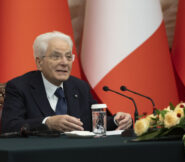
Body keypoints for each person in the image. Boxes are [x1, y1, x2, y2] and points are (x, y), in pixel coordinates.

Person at [1, 31, 132, 133]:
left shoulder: (79, 87)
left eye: (69, 57)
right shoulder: (19, 87)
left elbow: (93, 122)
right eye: (56, 56)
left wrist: (116, 121)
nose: (64, 62)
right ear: (39, 62)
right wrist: (47, 123)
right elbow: (9, 126)